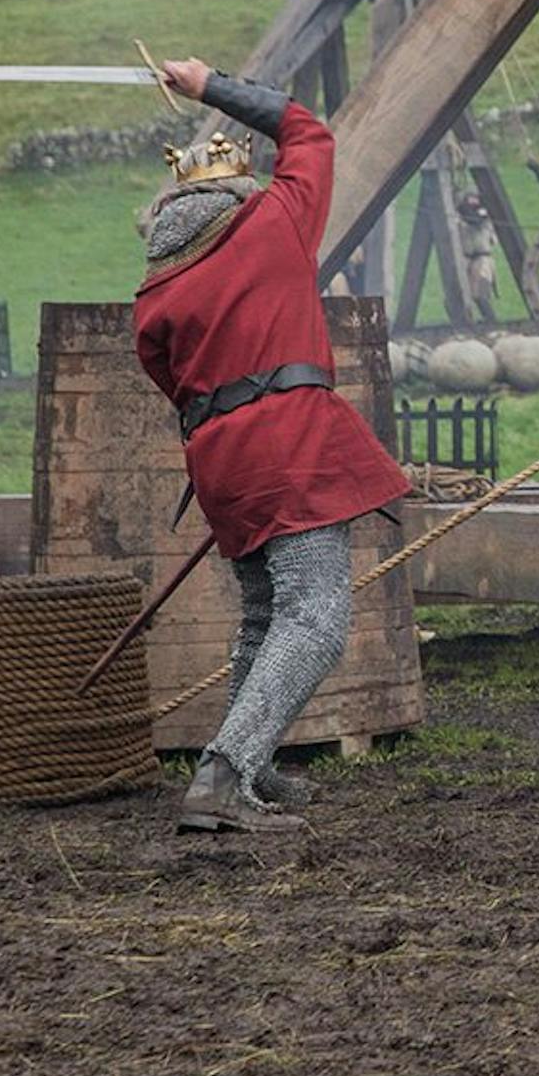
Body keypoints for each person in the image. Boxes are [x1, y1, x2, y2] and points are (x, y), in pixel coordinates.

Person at [133, 57, 411, 835]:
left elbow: (163, 371)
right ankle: (223, 775)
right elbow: (306, 129)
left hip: (218, 457)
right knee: (317, 615)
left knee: (264, 613)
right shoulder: (273, 218)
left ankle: (244, 762)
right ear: (233, 189)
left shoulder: (157, 280)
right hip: (286, 443)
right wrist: (208, 82)